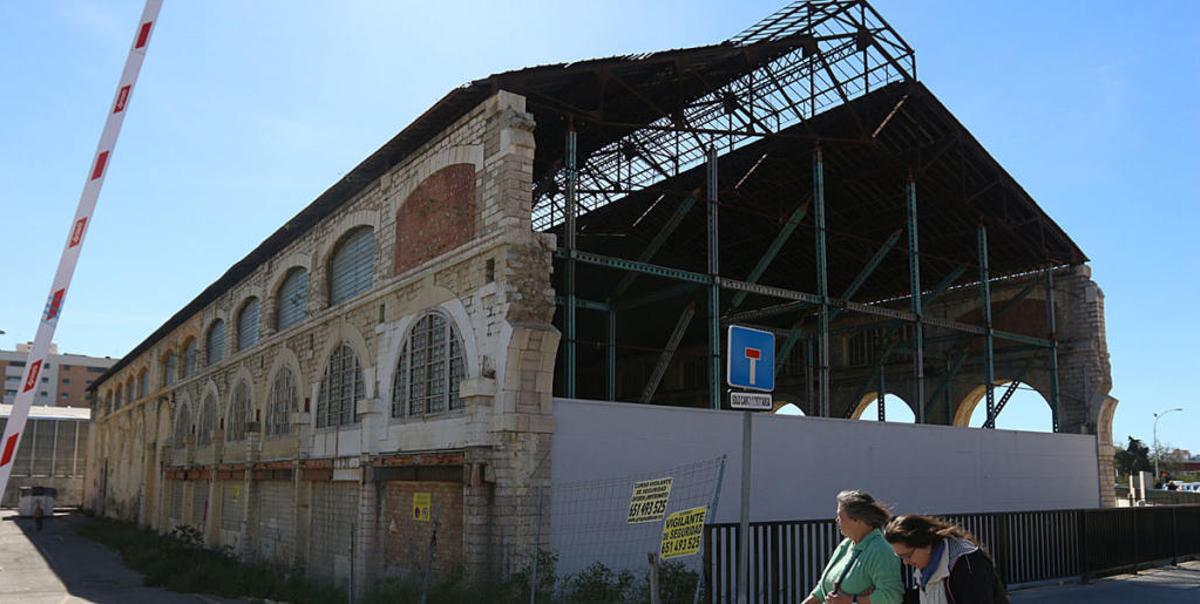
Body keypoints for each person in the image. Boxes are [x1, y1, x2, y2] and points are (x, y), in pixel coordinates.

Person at [804, 491, 904, 604]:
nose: (836, 520)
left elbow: (893, 596)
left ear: (857, 520)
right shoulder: (846, 544)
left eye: (840, 516)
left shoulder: (881, 550)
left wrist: (852, 601)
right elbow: (824, 585)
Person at [884, 514, 1008, 604]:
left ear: (925, 543)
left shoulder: (968, 564)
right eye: (901, 557)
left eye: (907, 555)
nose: (906, 562)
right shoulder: (927, 566)